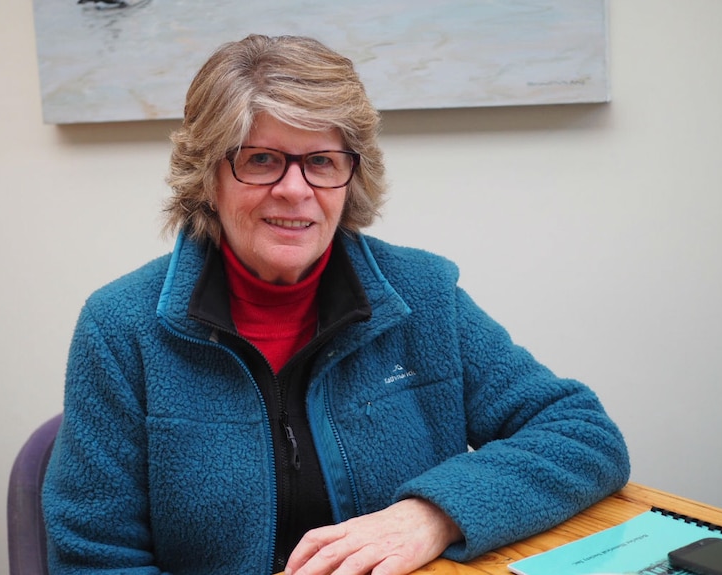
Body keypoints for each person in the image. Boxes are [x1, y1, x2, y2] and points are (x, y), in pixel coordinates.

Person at [42, 34, 630, 575]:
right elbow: (95, 557)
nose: (295, 190)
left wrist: (433, 514)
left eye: (321, 161)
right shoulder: (122, 328)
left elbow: (582, 433)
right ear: (208, 178)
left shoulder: (420, 295)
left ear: (351, 177)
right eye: (261, 160)